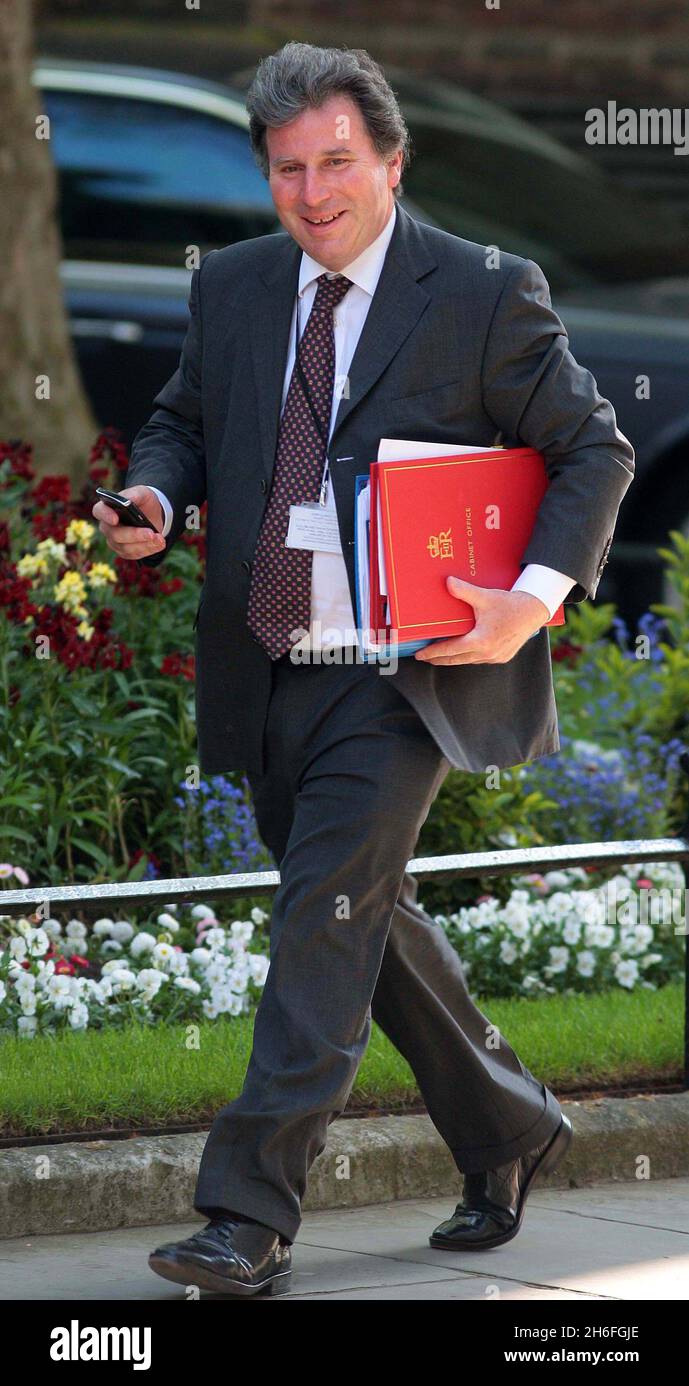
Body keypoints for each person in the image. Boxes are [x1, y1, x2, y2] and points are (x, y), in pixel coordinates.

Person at [94, 41, 635, 1299]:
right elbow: (181, 421)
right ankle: (506, 1125)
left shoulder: (483, 291)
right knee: (353, 911)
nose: (313, 191)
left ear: (392, 161)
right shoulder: (235, 285)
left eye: (336, 161)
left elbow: (592, 448)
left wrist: (526, 606)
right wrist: (156, 498)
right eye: (287, 169)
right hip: (271, 655)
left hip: (407, 671)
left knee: (318, 918)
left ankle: (246, 1214)